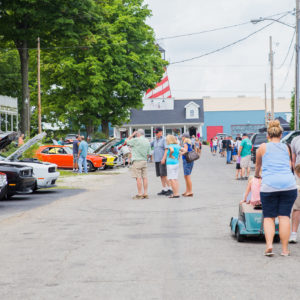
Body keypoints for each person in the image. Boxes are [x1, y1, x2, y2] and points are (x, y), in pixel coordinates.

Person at [255, 120, 297, 256]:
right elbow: (290, 166)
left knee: (269, 217)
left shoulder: (262, 147)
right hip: (288, 185)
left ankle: (269, 246)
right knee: (284, 216)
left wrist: (257, 176)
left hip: (269, 185)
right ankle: (285, 250)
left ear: (268, 134)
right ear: (281, 134)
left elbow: (258, 166)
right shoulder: (287, 147)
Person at [126, 129, 151, 199]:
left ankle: (140, 194)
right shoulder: (147, 141)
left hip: (137, 160)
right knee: (145, 177)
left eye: (137, 134)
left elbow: (126, 141)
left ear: (138, 134)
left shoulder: (136, 140)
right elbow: (149, 153)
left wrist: (132, 135)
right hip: (144, 160)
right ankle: (145, 193)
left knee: (138, 177)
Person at [150, 128, 172, 196]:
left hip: (162, 159)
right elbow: (148, 145)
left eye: (157, 132)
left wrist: (164, 158)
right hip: (157, 159)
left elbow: (166, 149)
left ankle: (170, 189)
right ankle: (164, 189)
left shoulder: (164, 139)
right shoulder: (154, 140)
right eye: (155, 133)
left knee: (164, 175)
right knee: (161, 175)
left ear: (161, 132)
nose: (156, 134)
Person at [289, 135, 300, 243]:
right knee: (297, 207)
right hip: (298, 178)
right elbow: (293, 160)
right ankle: (293, 234)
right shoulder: (295, 140)